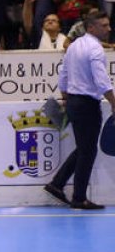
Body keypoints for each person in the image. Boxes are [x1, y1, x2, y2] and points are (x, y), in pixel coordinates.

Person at [46, 11, 115, 210]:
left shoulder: (74, 46)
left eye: (108, 24)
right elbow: (101, 81)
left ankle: (57, 184)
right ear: (91, 27)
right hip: (87, 105)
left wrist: (67, 98)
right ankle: (79, 198)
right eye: (104, 25)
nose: (109, 29)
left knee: (84, 148)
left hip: (75, 103)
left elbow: (63, 76)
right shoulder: (96, 50)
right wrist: (113, 102)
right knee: (88, 150)